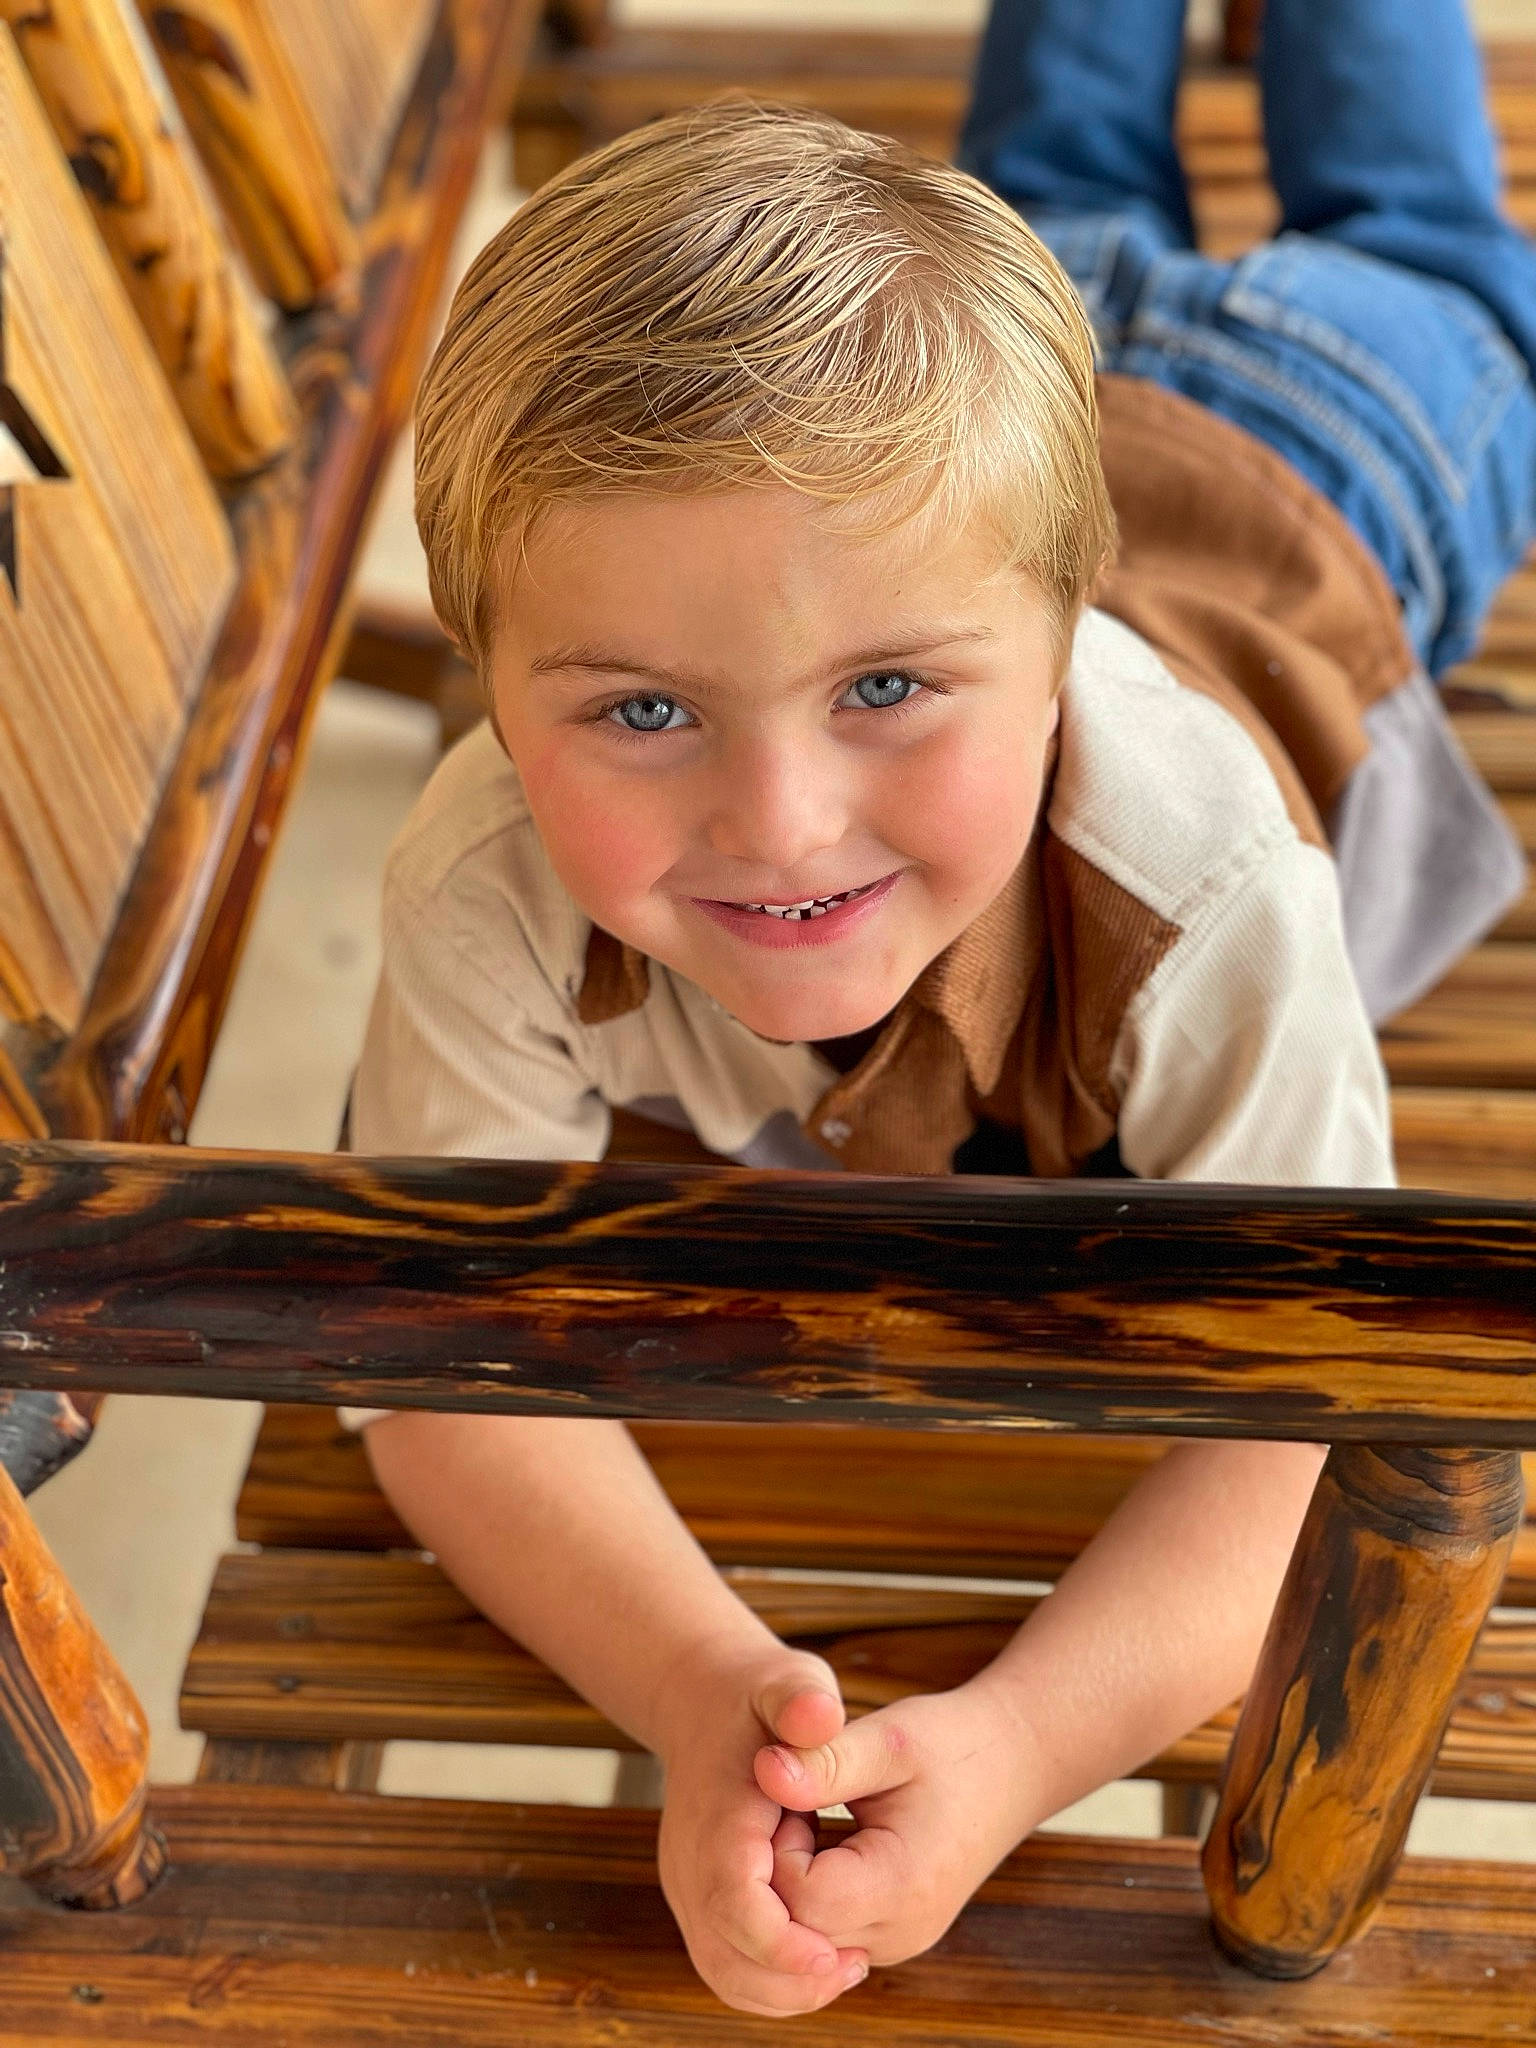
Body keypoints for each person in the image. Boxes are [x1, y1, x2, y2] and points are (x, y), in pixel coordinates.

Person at [341, 0, 1535, 2015]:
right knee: (1053, 179)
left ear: (1064, 646)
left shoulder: (1202, 885)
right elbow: (432, 1365)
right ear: (491, 662)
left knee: (1430, 238)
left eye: (888, 692)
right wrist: (704, 1683)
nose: (777, 821)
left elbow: (1314, 1424)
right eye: (643, 707)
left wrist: (1020, 1746)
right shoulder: (488, 872)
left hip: (1333, 441)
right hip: (968, 419)